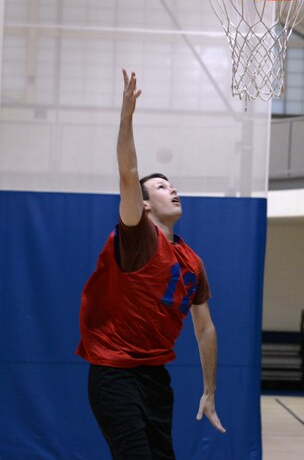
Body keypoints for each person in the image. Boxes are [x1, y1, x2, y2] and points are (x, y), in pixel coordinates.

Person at [76, 69, 225, 459]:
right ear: (144, 204)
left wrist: (209, 389)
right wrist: (126, 118)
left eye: (172, 184)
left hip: (156, 379)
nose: (172, 189)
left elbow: (205, 328)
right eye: (161, 186)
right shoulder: (138, 234)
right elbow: (128, 175)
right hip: (114, 374)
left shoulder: (192, 262)